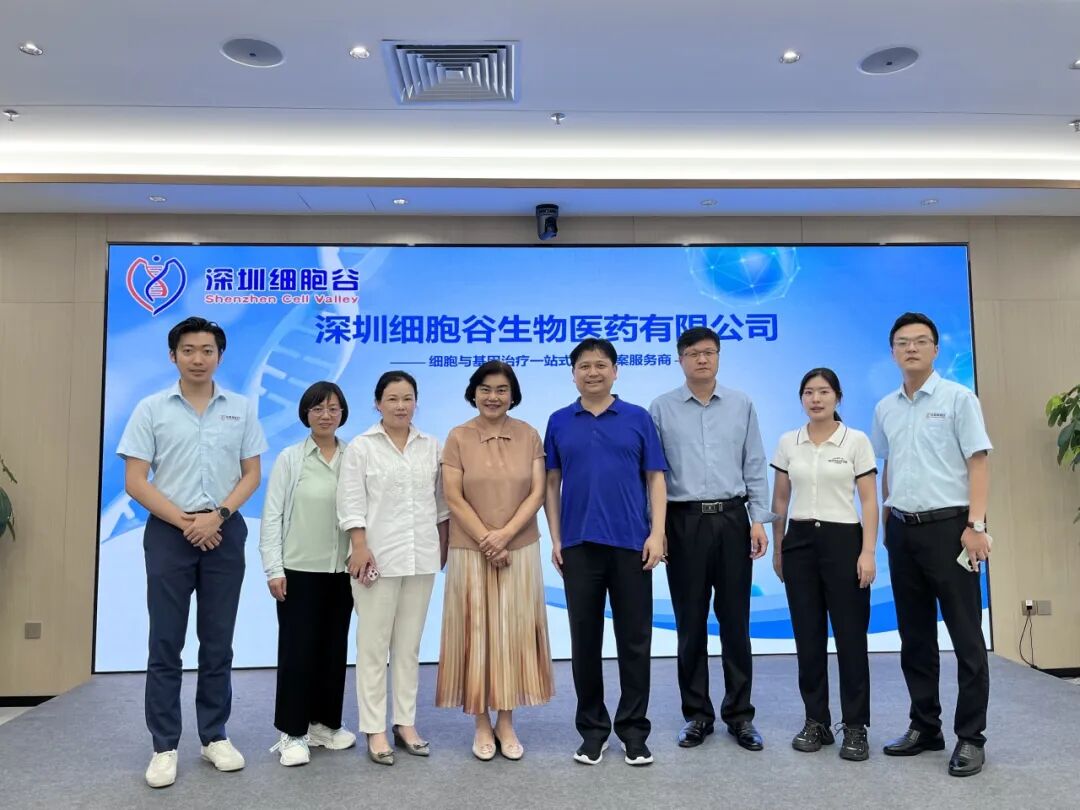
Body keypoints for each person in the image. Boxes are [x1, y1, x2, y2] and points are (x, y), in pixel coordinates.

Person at [118, 316, 267, 789]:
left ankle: (214, 736)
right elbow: (135, 481)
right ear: (173, 356)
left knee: (218, 642)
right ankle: (164, 745)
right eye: (188, 350)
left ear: (220, 356)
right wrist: (186, 522)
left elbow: (251, 474)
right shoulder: (151, 409)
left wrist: (217, 516)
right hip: (169, 532)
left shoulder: (240, 408)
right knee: (165, 642)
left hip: (224, 530)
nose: (198, 359)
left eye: (207, 350)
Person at [871, 312, 993, 778]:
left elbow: (978, 462)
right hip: (903, 531)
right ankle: (925, 726)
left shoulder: (959, 399)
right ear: (893, 351)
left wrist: (976, 524)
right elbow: (890, 465)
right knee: (915, 636)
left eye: (921, 341)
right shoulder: (886, 407)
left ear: (936, 350)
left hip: (952, 529)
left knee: (965, 636)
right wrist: (888, 520)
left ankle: (971, 736)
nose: (912, 348)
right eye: (903, 342)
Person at [544, 338, 667, 767]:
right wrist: (556, 538)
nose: (592, 372)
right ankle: (592, 731)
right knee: (585, 642)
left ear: (615, 371)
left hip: (632, 544)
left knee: (635, 641)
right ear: (573, 374)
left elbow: (655, 478)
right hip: (579, 546)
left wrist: (657, 534)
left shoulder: (637, 418)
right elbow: (551, 484)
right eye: (584, 366)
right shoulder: (560, 421)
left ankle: (634, 731)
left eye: (600, 365)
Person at [648, 326, 772, 752]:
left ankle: (740, 715)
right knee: (690, 623)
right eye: (693, 353)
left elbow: (754, 462)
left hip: (733, 518)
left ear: (718, 357)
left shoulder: (741, 404)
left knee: (736, 622)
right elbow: (653, 475)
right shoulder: (661, 408)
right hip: (683, 522)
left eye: (709, 352)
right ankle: (697, 715)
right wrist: (657, 528)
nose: (702, 359)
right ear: (680, 359)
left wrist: (759, 519)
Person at [435, 361, 554, 761]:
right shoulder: (458, 436)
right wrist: (488, 539)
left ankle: (506, 720)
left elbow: (537, 492)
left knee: (512, 635)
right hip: (470, 549)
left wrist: (505, 536)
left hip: (519, 547)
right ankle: (481, 722)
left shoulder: (529, 434)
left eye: (502, 389)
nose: (493, 396)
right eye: (485, 389)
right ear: (473, 393)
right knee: (476, 634)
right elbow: (453, 497)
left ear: (513, 395)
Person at [337, 371, 450, 766]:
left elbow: (441, 505)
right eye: (392, 399)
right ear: (378, 403)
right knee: (373, 646)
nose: (401, 406)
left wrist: (443, 547)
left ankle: (405, 724)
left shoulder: (430, 446)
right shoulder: (362, 447)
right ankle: (375, 729)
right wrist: (359, 546)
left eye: (407, 398)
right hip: (376, 560)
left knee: (408, 646)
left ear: (416, 401)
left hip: (421, 557)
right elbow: (351, 502)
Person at [770, 368, 878, 761]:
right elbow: (780, 500)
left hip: (844, 542)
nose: (816, 399)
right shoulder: (789, 442)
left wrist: (868, 552)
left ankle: (856, 726)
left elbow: (869, 501)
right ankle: (816, 720)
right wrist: (779, 549)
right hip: (799, 543)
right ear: (801, 398)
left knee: (851, 638)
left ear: (838, 397)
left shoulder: (855, 440)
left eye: (824, 392)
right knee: (808, 637)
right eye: (809, 392)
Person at [259, 381, 356, 766]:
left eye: (333, 408)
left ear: (343, 413)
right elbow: (272, 515)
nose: (325, 415)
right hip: (298, 570)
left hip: (343, 571)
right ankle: (293, 732)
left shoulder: (355, 456)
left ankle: (324, 725)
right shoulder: (290, 458)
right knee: (297, 653)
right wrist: (273, 568)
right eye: (317, 409)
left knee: (333, 651)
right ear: (305, 414)